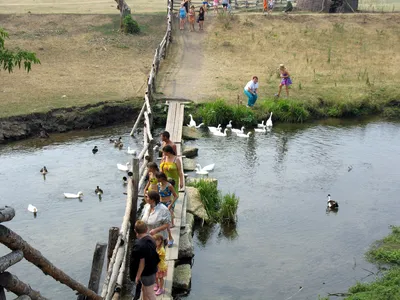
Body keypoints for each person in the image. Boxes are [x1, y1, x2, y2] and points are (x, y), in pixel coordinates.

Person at [129, 220, 159, 300]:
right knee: (144, 290)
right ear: (146, 229)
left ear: (135, 231)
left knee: (150, 294)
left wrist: (137, 276)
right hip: (153, 269)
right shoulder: (151, 239)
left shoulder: (139, 245)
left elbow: (142, 263)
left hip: (147, 273)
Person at [156, 172, 178, 247]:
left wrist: (171, 205)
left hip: (167, 204)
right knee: (160, 222)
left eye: (158, 178)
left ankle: (170, 238)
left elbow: (176, 196)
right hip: (160, 204)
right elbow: (157, 195)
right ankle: (162, 239)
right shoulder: (158, 185)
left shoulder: (169, 186)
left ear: (162, 178)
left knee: (167, 223)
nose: (156, 179)